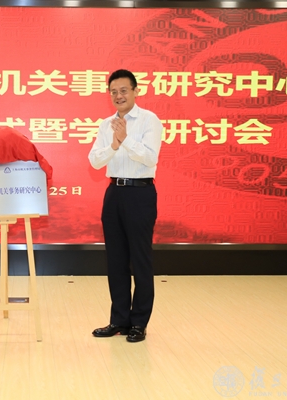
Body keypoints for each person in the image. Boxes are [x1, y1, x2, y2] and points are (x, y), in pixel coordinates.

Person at [88, 69, 163, 343]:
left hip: (140, 193)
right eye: (113, 92)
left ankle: (139, 322)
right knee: (116, 260)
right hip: (114, 194)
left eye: (123, 90)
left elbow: (150, 158)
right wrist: (114, 145)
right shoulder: (106, 124)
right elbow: (95, 160)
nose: (118, 96)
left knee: (139, 259)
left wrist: (126, 140)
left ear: (135, 91)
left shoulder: (149, 120)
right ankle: (119, 320)